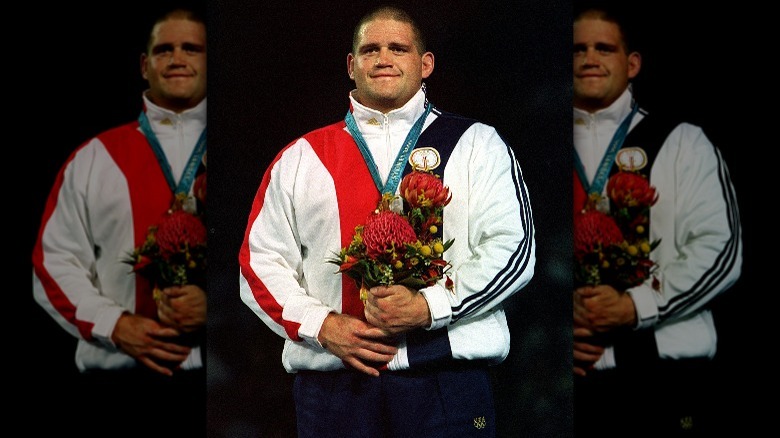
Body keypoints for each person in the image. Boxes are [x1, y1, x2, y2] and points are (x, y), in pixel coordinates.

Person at [238, 5, 535, 437]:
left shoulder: (477, 143)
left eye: (399, 48)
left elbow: (514, 249)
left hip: (446, 381)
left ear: (425, 63)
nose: (383, 58)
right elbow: (258, 262)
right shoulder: (301, 156)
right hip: (333, 385)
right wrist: (320, 325)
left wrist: (429, 307)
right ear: (351, 65)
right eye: (370, 49)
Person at [32, 7, 207, 435]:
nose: (177, 57)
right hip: (114, 386)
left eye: (192, 48)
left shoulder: (248, 158)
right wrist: (114, 324)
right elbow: (52, 263)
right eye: (164, 49)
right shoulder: (93, 157)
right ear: (145, 66)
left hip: (212, 381)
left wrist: (212, 307)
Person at [571, 2, 742, 436]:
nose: (588, 58)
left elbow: (720, 250)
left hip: (666, 382)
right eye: (577, 49)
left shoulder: (682, 142)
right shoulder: (535, 146)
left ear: (632, 64)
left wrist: (634, 306)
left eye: (603, 48)